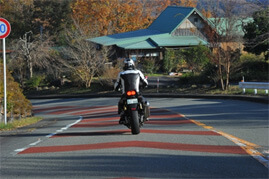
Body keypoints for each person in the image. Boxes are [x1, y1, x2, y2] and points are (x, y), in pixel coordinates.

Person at [114, 58, 149, 124]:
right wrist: (144, 85)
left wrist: (116, 89)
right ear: (133, 64)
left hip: (125, 94)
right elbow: (145, 82)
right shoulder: (138, 72)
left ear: (125, 65)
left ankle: (122, 117)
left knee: (120, 104)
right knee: (145, 102)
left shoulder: (121, 73)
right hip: (136, 92)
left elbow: (117, 84)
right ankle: (145, 115)